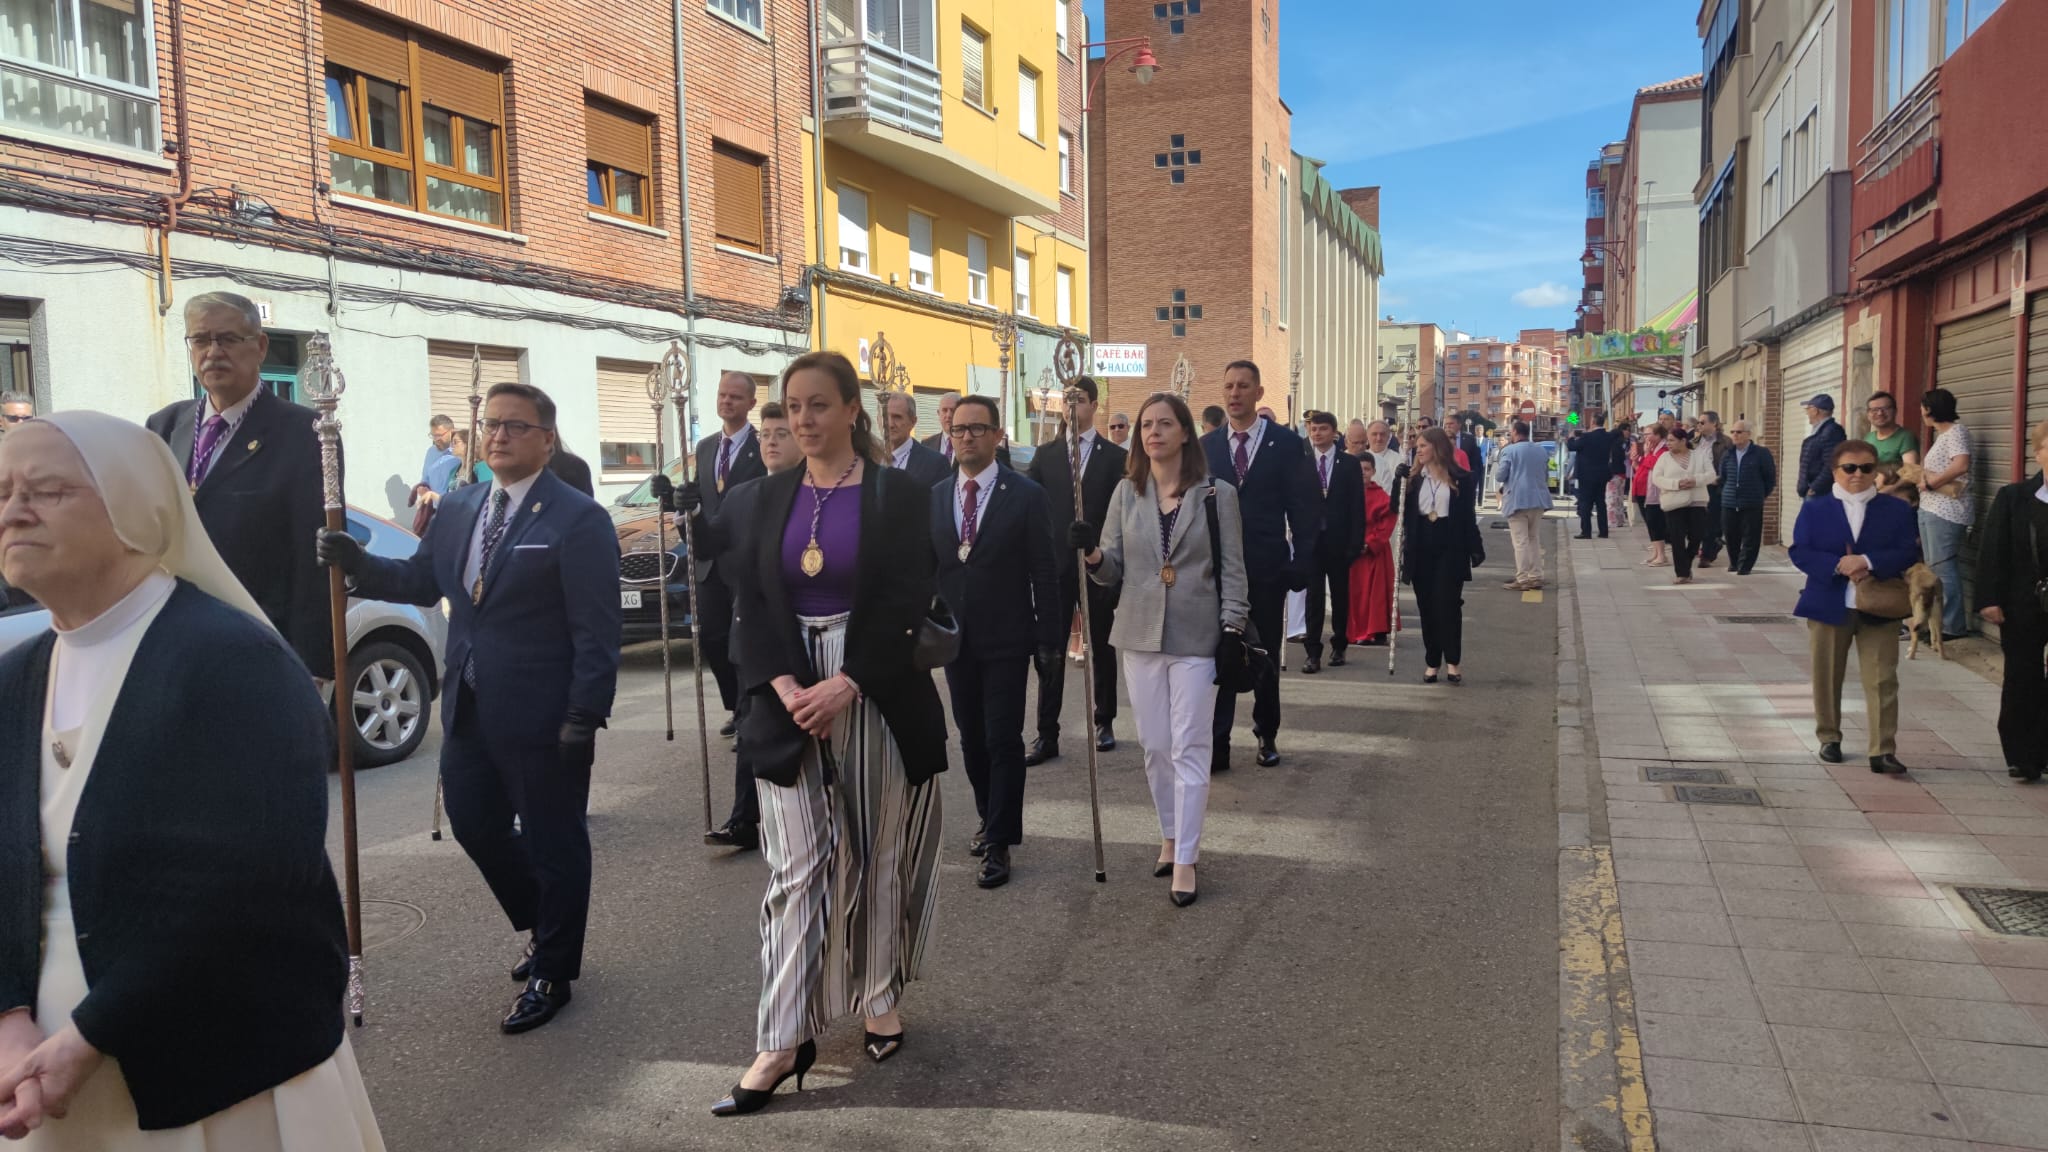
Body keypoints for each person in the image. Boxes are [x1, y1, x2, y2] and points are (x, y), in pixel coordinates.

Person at [0, 412, 383, 1148]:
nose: (14, 510)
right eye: (4, 490)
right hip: (37, 1085)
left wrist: (91, 1033)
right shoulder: (15, 678)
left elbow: (245, 887)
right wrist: (10, 1017)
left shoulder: (234, 664)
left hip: (217, 1081)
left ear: (133, 509)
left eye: (47, 490)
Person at [678, 351, 946, 1116]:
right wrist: (787, 681)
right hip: (789, 687)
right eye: (793, 406)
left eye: (819, 405)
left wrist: (849, 681)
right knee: (797, 866)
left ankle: (879, 995)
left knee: (876, 850)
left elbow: (908, 597)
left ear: (853, 410)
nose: (803, 419)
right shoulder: (763, 498)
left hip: (873, 687)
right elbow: (746, 597)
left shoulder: (898, 495)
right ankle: (783, 1036)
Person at [317, 382, 623, 1035]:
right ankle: (543, 924)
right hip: (470, 705)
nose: (500, 436)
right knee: (474, 823)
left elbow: (597, 631)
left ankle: (554, 969)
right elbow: (421, 581)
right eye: (493, 426)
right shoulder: (459, 508)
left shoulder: (577, 518)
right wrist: (359, 565)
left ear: (547, 438)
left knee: (554, 840)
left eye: (517, 426)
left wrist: (585, 713)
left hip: (546, 715)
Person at [1074, 391, 1247, 907]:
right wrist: (1091, 551)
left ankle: (1188, 859)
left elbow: (1233, 569)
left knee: (1190, 747)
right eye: (1147, 424)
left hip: (1198, 635)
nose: (1153, 432)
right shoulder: (1127, 493)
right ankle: (1169, 835)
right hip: (1140, 633)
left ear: (1185, 432)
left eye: (1164, 423)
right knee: (1153, 745)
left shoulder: (1217, 494)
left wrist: (1233, 628)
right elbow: (1112, 570)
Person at [145, 291, 333, 677]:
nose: (213, 351)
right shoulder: (163, 428)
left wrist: (309, 669)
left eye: (228, 339)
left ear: (260, 346)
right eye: (200, 339)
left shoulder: (303, 433)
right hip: (172, 645)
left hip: (258, 647)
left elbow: (310, 564)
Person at [934, 395, 1060, 889]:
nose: (966, 437)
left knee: (1003, 738)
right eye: (959, 429)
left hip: (1008, 637)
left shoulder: (1025, 495)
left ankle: (1000, 842)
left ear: (997, 434)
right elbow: (931, 568)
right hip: (955, 641)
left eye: (977, 429)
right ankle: (988, 817)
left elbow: (1044, 573)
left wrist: (1049, 640)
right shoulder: (937, 493)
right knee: (970, 738)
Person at [686, 403, 800, 854]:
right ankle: (743, 819)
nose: (771, 441)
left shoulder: (812, 493)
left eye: (782, 434)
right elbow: (712, 542)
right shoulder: (742, 495)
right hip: (751, 627)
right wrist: (690, 513)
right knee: (751, 724)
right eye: (767, 433)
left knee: (792, 729)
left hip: (799, 629)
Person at [1200, 360, 1317, 769]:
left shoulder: (1286, 444)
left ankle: (1266, 733)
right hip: (1218, 572)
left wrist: (1302, 560)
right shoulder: (1208, 446)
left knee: (1263, 653)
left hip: (1268, 568)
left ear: (1259, 392)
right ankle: (1218, 742)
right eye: (1229, 386)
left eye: (1243, 386)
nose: (1234, 393)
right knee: (1221, 652)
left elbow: (1303, 508)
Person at [1790, 439, 1919, 773]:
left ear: (1876, 471)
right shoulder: (1815, 508)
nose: (1857, 475)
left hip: (1880, 606)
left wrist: (1867, 560)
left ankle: (1882, 750)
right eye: (1849, 468)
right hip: (1828, 602)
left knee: (1882, 679)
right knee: (1827, 675)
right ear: (1835, 471)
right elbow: (1800, 550)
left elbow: (1908, 552)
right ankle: (1829, 737)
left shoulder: (1896, 509)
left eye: (1866, 468)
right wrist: (1837, 565)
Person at [1025, 374, 1126, 761]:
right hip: (1054, 568)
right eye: (1067, 398)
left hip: (1098, 564)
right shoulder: (1046, 454)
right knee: (1050, 650)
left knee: (1101, 645)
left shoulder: (1115, 457)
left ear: (1094, 405)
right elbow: (1029, 504)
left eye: (1079, 399)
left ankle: (1104, 720)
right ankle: (1046, 732)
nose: (1072, 405)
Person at [696, 371, 767, 749]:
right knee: (713, 637)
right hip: (710, 562)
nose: (727, 402)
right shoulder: (706, 447)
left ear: (751, 404)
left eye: (736, 397)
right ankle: (735, 706)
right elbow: (703, 503)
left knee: (744, 641)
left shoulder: (763, 444)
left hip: (745, 561)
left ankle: (749, 712)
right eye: (723, 395)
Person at [1976, 419, 2048, 782]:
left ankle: (2043, 750)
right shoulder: (2014, 498)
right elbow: (1992, 550)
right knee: (2023, 677)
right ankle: (2020, 756)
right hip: (2022, 603)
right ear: (2038, 453)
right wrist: (1989, 598)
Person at [1404, 427, 1481, 685]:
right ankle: (1432, 661)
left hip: (1450, 546)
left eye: (1424, 445)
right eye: (1418, 446)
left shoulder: (1460, 478)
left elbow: (1468, 518)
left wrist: (1475, 547)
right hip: (1422, 545)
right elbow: (1398, 510)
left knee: (1447, 605)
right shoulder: (1414, 479)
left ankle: (1453, 661)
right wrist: (1398, 483)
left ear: (1438, 448)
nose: (1419, 450)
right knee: (1427, 607)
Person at [1301, 411, 1363, 672]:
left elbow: (1357, 506)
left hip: (1339, 541)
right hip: (1313, 542)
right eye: (1313, 429)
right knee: (1313, 598)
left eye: (1323, 429)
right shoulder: (1303, 462)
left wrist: (1355, 543)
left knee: (1339, 596)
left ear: (1335, 432)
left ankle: (1339, 644)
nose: (1317, 434)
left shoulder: (1348, 464)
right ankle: (1313, 651)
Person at [1917, 386, 1973, 641]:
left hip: (1947, 511)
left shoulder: (1956, 432)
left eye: (1923, 406)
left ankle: (1952, 625)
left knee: (1943, 569)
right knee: (1934, 569)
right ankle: (1935, 623)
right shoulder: (1941, 436)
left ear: (1929, 409)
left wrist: (1932, 483)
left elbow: (1961, 464)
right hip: (1931, 508)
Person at [1651, 427, 1717, 585]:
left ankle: (1686, 563)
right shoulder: (1664, 458)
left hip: (1697, 501)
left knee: (1697, 536)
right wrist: (1676, 484)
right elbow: (1657, 478)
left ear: (1683, 441)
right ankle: (1682, 573)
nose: (1669, 443)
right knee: (1677, 538)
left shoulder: (1699, 456)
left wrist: (1695, 480)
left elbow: (1711, 475)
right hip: (1674, 502)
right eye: (1667, 440)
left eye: (1672, 440)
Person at [1345, 452, 1398, 646]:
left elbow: (1388, 520)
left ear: (1374, 471)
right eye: (1359, 470)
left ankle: (1376, 630)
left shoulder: (1381, 495)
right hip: (1353, 551)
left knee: (1375, 594)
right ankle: (1355, 630)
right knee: (1355, 594)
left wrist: (1370, 542)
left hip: (1373, 551)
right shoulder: (1347, 494)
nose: (1363, 473)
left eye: (1367, 469)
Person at [1495, 421, 1552, 591]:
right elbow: (1545, 474)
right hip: (1538, 499)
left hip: (1517, 500)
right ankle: (1536, 576)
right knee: (1533, 538)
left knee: (1520, 541)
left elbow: (1500, 475)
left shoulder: (1509, 451)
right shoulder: (1540, 450)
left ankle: (1522, 578)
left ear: (1514, 432)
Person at [1719, 419, 1777, 575]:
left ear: (1748, 434)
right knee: (1730, 535)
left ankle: (1745, 566)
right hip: (1729, 501)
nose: (1735, 435)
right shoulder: (1728, 454)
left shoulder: (1761, 453)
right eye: (1732, 432)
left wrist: (1759, 494)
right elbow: (1722, 476)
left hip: (1752, 501)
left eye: (1739, 432)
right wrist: (1727, 492)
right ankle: (1734, 562)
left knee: (1751, 536)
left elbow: (1769, 478)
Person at [882, 392, 951, 489]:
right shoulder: (868, 459)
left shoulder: (935, 463)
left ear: (913, 421)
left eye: (897, 417)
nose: (890, 424)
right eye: (885, 416)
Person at [1568, 411, 1617, 538]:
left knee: (1585, 504)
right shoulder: (1608, 436)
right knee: (1601, 503)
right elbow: (1617, 433)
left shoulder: (1586, 437)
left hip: (1586, 476)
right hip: (1602, 475)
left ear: (1593, 422)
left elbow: (1572, 446)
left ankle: (1586, 531)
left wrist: (1571, 437)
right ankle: (1603, 531)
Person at [1694, 411, 1734, 567]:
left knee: (1711, 522)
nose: (1699, 425)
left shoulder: (1725, 443)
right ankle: (1711, 544)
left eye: (1703, 422)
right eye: (1699, 422)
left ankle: (1707, 554)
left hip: (1715, 487)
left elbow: (1731, 465)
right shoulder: (1695, 442)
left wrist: (1721, 478)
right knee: (1699, 521)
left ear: (1714, 424)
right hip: (1697, 485)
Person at [1864, 391, 1919, 497]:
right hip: (1872, 494)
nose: (1880, 413)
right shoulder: (1869, 438)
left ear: (1895, 411)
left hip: (1897, 496)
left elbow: (1912, 473)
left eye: (1885, 408)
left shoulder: (1905, 437)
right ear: (1868, 414)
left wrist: (1892, 489)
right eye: (1874, 410)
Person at [1794, 393, 1846, 502]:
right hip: (1813, 492)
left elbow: (1831, 463)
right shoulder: (1820, 430)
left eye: (1808, 409)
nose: (1807, 413)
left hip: (1820, 494)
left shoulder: (1831, 431)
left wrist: (1815, 487)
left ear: (1815, 410)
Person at [1632, 425, 1669, 566]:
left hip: (1653, 492)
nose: (1646, 437)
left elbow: (1655, 464)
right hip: (1642, 489)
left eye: (1649, 434)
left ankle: (1661, 555)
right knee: (1649, 523)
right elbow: (1642, 467)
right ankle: (1655, 552)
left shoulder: (1663, 450)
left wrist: (1645, 456)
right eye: (1645, 434)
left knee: (1655, 523)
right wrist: (1637, 461)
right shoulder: (1652, 450)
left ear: (1658, 435)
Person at [1362, 420, 1403, 494]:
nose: (1378, 438)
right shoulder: (1361, 457)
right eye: (1374, 434)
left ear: (1388, 437)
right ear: (1367, 436)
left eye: (1382, 434)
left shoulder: (1398, 459)